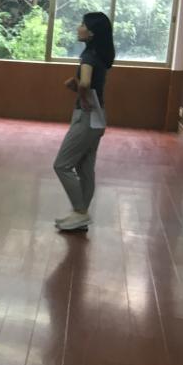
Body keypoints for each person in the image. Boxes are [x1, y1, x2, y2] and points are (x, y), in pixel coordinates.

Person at [54, 12, 115, 232]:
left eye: (82, 24)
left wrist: (81, 92)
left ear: (92, 33)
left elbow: (86, 83)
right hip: (98, 115)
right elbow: (88, 83)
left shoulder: (88, 57)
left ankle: (80, 212)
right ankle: (81, 216)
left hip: (86, 117)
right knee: (85, 167)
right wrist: (77, 85)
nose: (78, 27)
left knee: (61, 165)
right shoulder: (99, 55)